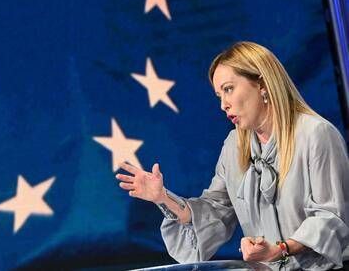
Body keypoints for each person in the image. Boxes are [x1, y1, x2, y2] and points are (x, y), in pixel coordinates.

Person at [116, 41, 349, 270]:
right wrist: (163, 198)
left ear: (262, 84)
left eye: (228, 89)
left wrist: (281, 249)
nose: (223, 105)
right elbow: (216, 210)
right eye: (219, 95)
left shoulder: (316, 134)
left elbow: (332, 217)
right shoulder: (234, 145)